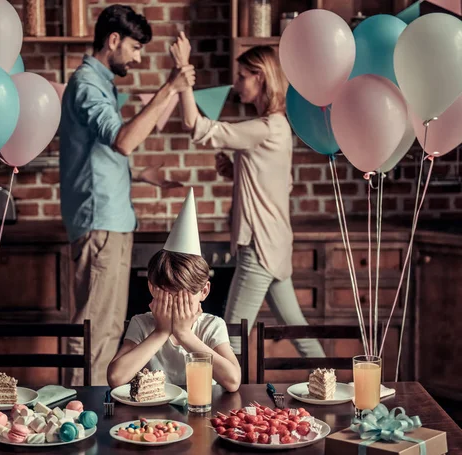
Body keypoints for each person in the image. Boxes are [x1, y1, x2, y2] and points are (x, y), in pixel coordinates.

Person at [59, 5, 196, 385]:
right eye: (135, 48)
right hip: (101, 224)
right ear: (113, 40)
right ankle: (85, 418)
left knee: (102, 327)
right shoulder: (87, 84)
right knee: (96, 331)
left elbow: (110, 148)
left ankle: (90, 415)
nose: (137, 57)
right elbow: (123, 141)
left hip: (109, 222)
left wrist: (175, 80)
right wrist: (171, 86)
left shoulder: (101, 84)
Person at [170, 33, 325, 359]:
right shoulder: (277, 128)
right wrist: (236, 170)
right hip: (273, 243)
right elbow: (280, 183)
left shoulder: (267, 127)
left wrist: (183, 69)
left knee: (231, 336)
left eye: (242, 76)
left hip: (260, 246)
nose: (237, 83)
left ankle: (222, 402)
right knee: (297, 328)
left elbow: (195, 126)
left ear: (261, 76)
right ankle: (337, 385)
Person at [107, 189, 241, 392]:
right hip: (153, 417)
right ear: (152, 288)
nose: (177, 305)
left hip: (203, 409)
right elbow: (116, 378)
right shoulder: (141, 324)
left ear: (204, 292)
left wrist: (185, 334)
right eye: (169, 296)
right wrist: (161, 331)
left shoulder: (212, 326)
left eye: (185, 298)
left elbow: (232, 382)